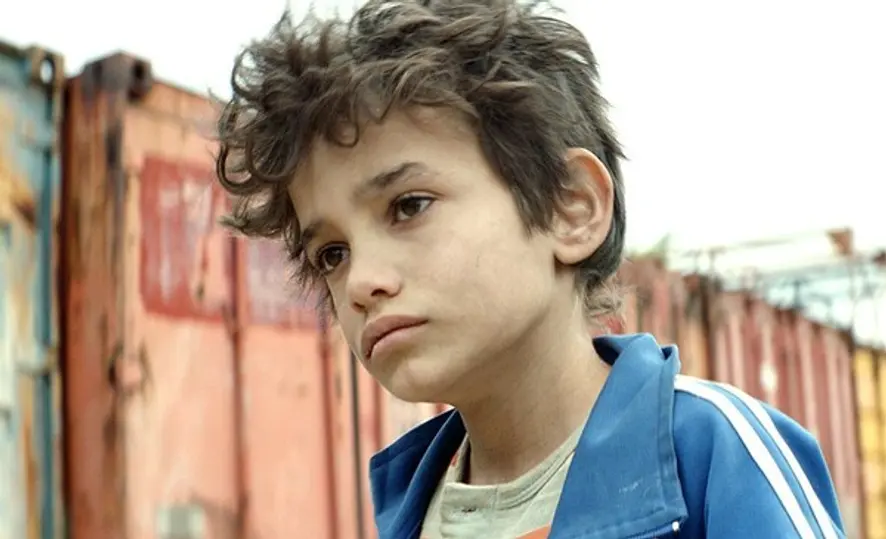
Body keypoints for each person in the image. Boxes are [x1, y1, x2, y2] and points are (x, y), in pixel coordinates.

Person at [213, 0, 846, 537]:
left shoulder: (711, 455)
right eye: (332, 253)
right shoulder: (409, 514)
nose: (359, 283)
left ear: (571, 208)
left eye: (408, 206)